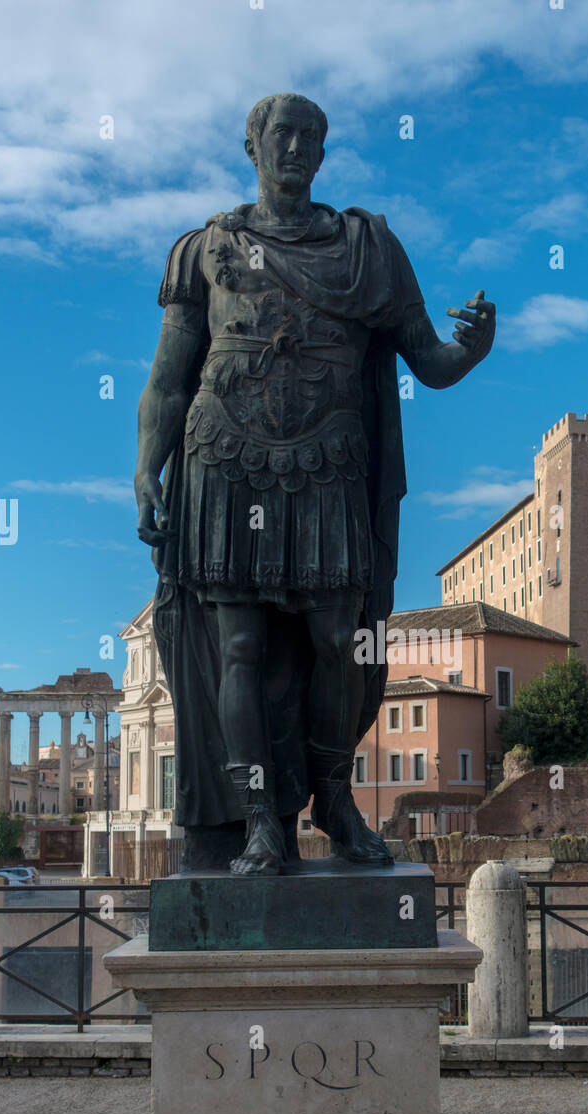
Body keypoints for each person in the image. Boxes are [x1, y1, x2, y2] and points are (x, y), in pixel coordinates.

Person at [134, 93, 494, 875]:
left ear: (323, 153)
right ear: (253, 147)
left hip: (329, 461)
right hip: (224, 462)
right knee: (240, 647)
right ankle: (261, 820)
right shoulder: (204, 250)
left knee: (340, 640)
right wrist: (145, 470)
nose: (295, 147)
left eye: (310, 136)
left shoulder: (367, 249)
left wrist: (472, 352)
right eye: (281, 134)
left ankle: (333, 801)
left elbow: (427, 361)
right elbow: (167, 380)